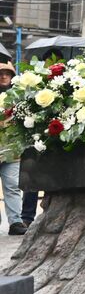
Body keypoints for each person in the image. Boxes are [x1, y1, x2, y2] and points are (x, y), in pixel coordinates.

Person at [0, 62, 21, 235]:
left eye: (7, 73)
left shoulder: (18, 97)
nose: (4, 76)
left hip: (11, 149)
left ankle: (16, 222)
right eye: (1, 73)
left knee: (13, 186)